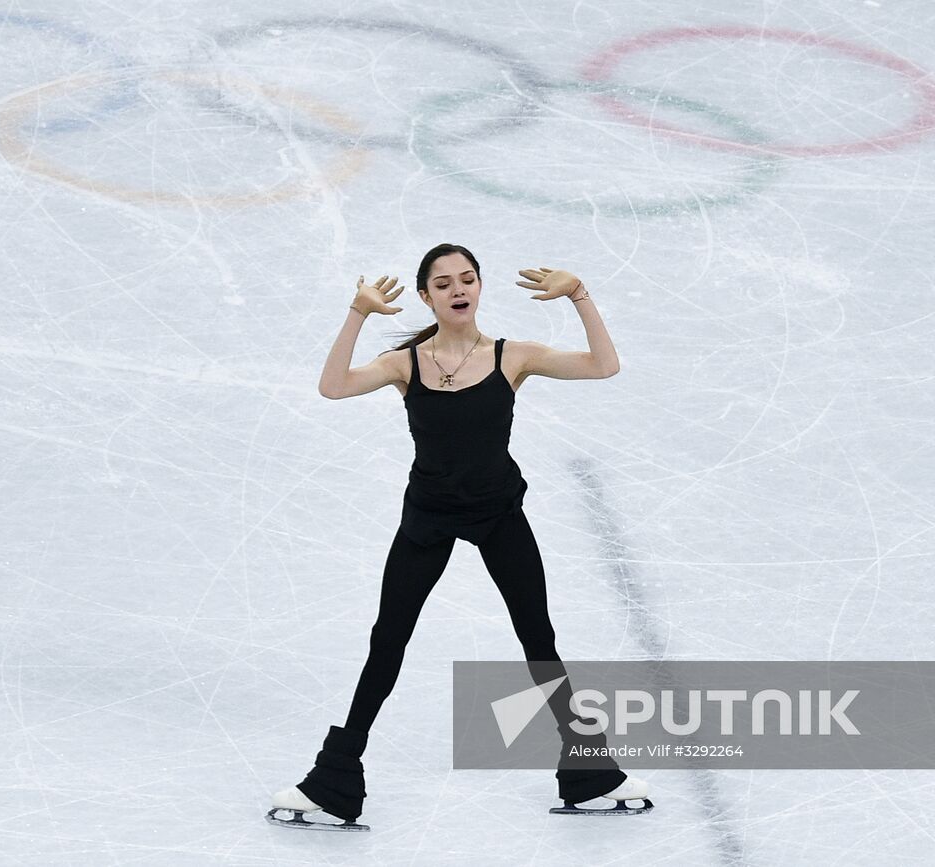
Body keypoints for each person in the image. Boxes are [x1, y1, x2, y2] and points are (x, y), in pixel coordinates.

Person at [266, 243, 651, 831]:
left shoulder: (510, 356)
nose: (457, 290)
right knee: (386, 644)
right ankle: (332, 783)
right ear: (426, 296)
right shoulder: (407, 364)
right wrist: (357, 312)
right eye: (443, 283)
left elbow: (604, 366)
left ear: (478, 288)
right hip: (429, 518)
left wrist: (579, 295)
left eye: (467, 279)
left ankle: (589, 775)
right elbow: (334, 387)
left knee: (538, 639)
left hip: (498, 514)